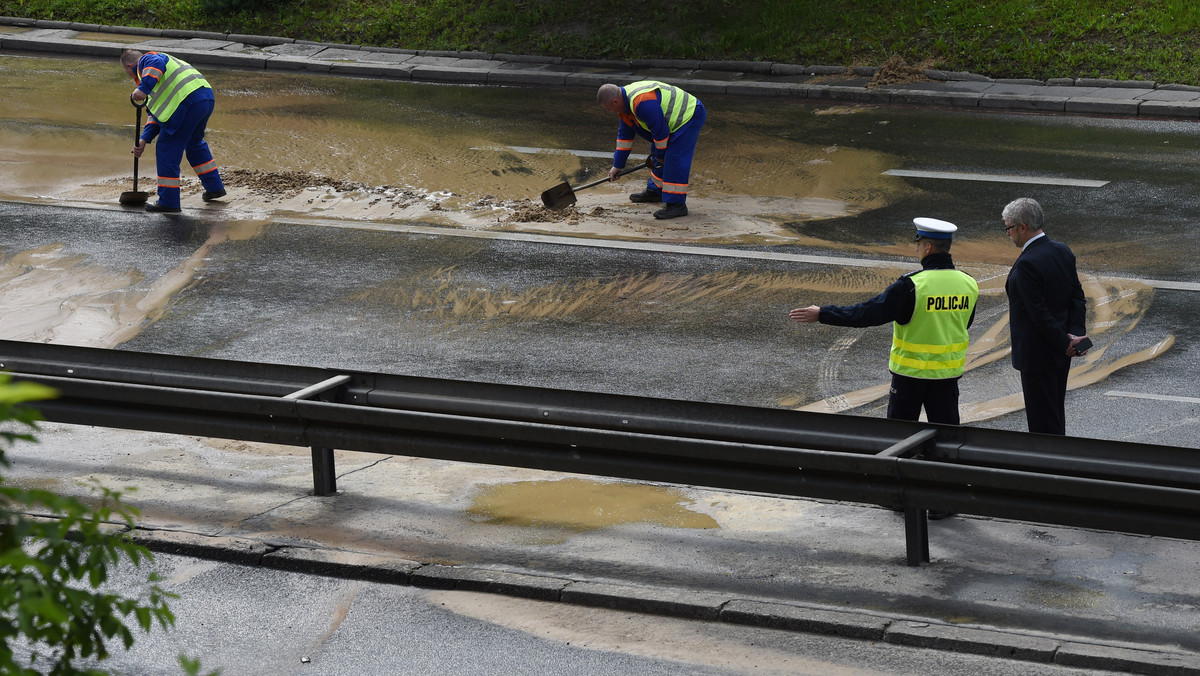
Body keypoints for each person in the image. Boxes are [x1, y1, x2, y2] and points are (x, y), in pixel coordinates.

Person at [789, 218, 979, 426]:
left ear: (928, 247)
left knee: (899, 438)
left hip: (910, 378)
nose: (917, 249)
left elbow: (866, 313)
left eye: (918, 244)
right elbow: (963, 323)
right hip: (947, 377)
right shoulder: (968, 283)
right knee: (947, 438)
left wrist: (823, 313)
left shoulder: (911, 285)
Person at [1002, 197, 1089, 435]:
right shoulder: (1061, 250)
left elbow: (1037, 313)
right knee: (1054, 412)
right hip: (1061, 353)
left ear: (1022, 227)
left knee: (1043, 423)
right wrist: (1076, 337)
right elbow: (1077, 297)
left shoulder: (1028, 263)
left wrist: (1065, 342)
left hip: (1038, 355)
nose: (1008, 234)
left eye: (1008, 228)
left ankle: (1050, 466)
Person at [121, 49, 226, 213]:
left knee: (166, 148)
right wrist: (144, 140)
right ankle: (214, 188)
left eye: (128, 72)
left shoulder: (147, 60)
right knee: (194, 143)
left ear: (129, 66)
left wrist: (143, 88)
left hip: (186, 101)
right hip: (204, 97)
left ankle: (169, 202)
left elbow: (155, 64)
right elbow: (157, 114)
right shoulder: (159, 76)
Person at [596, 81, 706, 220]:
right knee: (658, 154)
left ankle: (676, 205)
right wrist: (617, 165)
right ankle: (655, 191)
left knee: (673, 158)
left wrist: (660, 156)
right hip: (669, 122)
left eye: (608, 108)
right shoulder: (625, 107)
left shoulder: (642, 102)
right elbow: (624, 138)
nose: (609, 111)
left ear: (615, 101)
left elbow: (660, 133)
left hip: (689, 116)